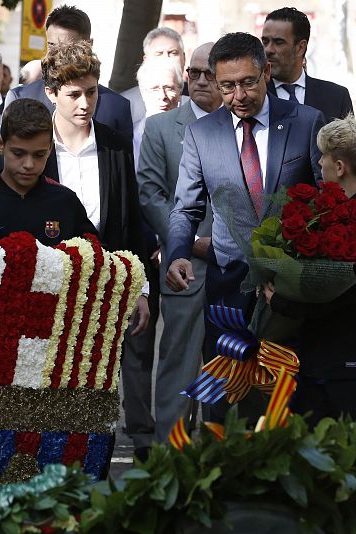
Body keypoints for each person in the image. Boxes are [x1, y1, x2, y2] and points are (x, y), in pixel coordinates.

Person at [166, 32, 325, 423]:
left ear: (267, 72)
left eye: (248, 82)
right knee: (221, 401)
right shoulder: (201, 135)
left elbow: (326, 203)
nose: (238, 95)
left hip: (289, 294)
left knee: (285, 402)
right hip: (227, 291)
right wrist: (177, 254)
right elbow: (185, 208)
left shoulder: (306, 123)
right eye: (227, 86)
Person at [38, 40, 151, 457]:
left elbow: (132, 223)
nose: (85, 103)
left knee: (100, 393)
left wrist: (140, 289)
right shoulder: (36, 145)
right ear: (51, 93)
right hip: (47, 288)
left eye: (92, 92)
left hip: (106, 287)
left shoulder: (115, 145)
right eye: (74, 94)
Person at [263, 117, 356, 426]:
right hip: (324, 361)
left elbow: (342, 294)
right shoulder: (345, 208)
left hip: (352, 366)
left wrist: (279, 302)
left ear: (339, 167)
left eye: (323, 156)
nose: (318, 162)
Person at [136, 42, 220, 442]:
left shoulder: (247, 127)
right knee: (178, 369)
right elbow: (151, 194)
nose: (200, 80)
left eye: (209, 73)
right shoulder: (162, 128)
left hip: (236, 271)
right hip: (185, 268)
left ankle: (221, 457)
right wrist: (190, 241)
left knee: (225, 372)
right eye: (194, 73)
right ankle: (172, 459)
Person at [0, 98, 96, 244]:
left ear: (50, 148)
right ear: (0, 144)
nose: (29, 164)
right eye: (18, 153)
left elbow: (94, 254)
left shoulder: (66, 200)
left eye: (39, 155)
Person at [3, 5, 133, 140]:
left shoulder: (117, 107)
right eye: (52, 45)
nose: (57, 53)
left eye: (68, 47)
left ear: (89, 45)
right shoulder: (21, 98)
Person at [261, 7, 353, 121]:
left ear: (300, 47)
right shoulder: (254, 96)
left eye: (278, 42)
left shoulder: (336, 97)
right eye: (265, 42)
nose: (268, 50)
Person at [121, 27, 187, 128]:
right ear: (145, 59)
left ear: (184, 58)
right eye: (159, 53)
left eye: (173, 53)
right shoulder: (125, 103)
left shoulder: (197, 100)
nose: (166, 58)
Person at [132, 59, 183, 169]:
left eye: (169, 88)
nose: (162, 95)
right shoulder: (129, 139)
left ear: (180, 92)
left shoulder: (195, 137)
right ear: (142, 92)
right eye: (155, 89)